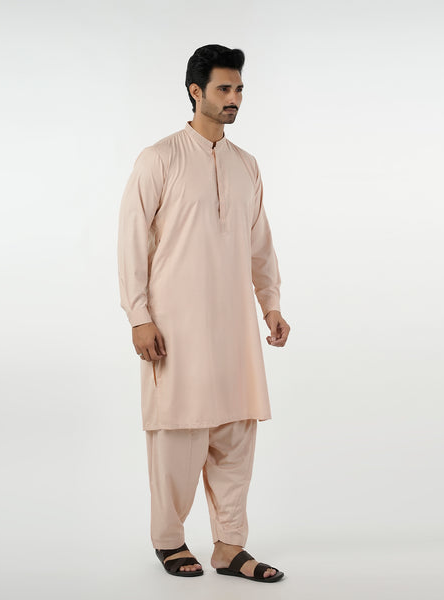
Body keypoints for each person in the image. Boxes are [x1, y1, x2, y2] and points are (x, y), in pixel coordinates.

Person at [117, 44, 290, 582]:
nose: (234, 98)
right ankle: (169, 540)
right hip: (176, 327)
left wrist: (270, 304)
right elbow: (131, 241)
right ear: (196, 91)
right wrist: (138, 315)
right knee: (178, 435)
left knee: (236, 433)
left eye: (239, 89)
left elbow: (259, 243)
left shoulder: (245, 165)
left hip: (234, 328)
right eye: (224, 88)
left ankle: (229, 547)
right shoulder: (159, 158)